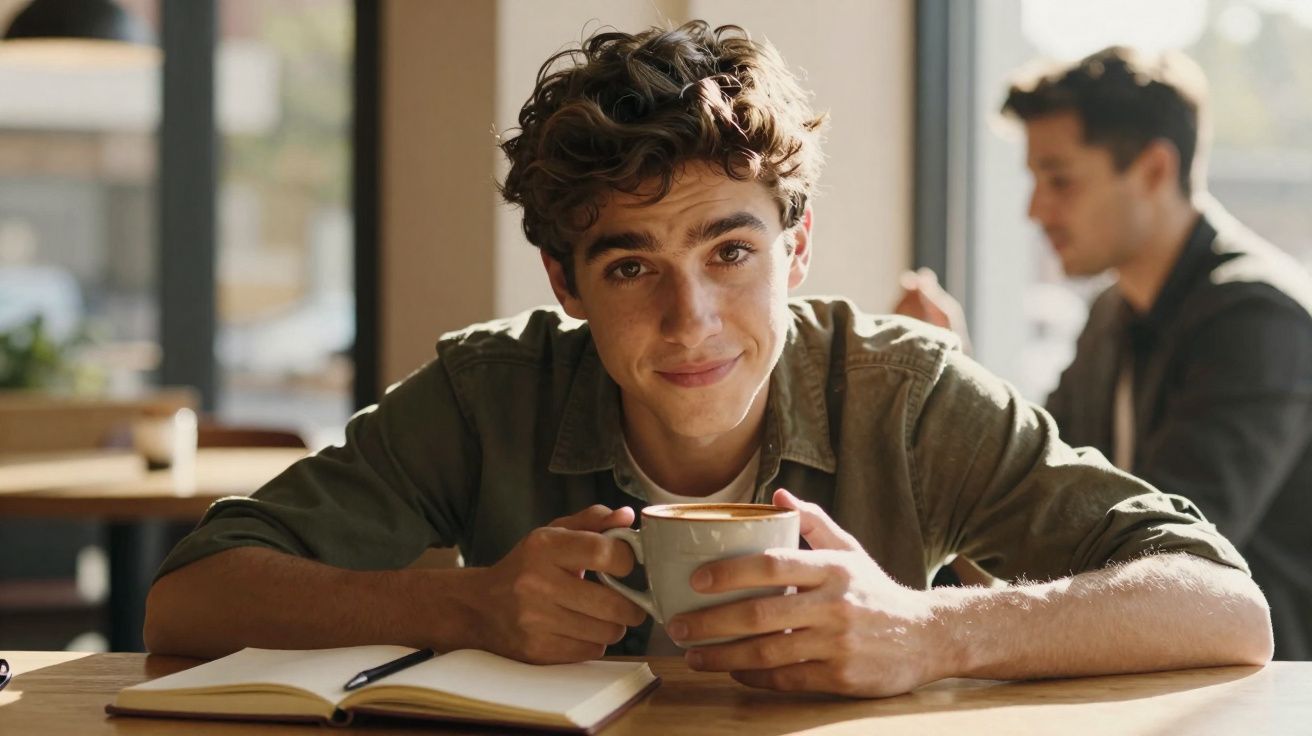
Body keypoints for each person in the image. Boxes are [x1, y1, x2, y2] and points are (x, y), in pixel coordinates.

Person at [146, 24, 1272, 697]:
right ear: (565, 283)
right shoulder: (490, 392)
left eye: (730, 251)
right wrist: (469, 606)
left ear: (795, 248)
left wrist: (925, 631)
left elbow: (1226, 607)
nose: (691, 320)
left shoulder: (903, 392)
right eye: (631, 267)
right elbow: (188, 602)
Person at [897, 46, 1312, 660]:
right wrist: (955, 386)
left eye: (1060, 179)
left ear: (1152, 170)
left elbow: (1174, 553)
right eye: (1035, 180)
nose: (1035, 210)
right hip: (1161, 669)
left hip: (1260, 690)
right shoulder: (1113, 314)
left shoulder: (1257, 318)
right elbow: (1045, 499)